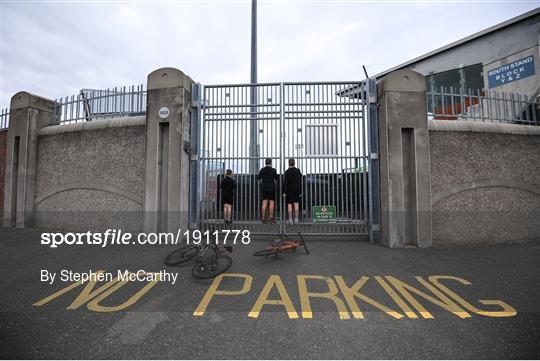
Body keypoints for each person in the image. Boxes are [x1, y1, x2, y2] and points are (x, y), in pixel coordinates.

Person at [258, 158, 278, 223]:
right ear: (271, 163)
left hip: (264, 188)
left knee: (264, 202)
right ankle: (270, 218)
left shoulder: (262, 170)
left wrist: (262, 183)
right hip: (271, 188)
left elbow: (258, 178)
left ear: (265, 163)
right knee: (271, 202)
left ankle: (263, 217)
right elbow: (276, 178)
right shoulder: (273, 170)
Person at [283, 158, 302, 224]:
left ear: (288, 163)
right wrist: (300, 191)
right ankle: (296, 219)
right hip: (297, 189)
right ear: (294, 163)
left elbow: (285, 182)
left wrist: (284, 192)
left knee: (289, 205)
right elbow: (300, 181)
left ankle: (290, 220)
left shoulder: (287, 172)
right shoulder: (298, 171)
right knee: (296, 204)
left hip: (289, 189)